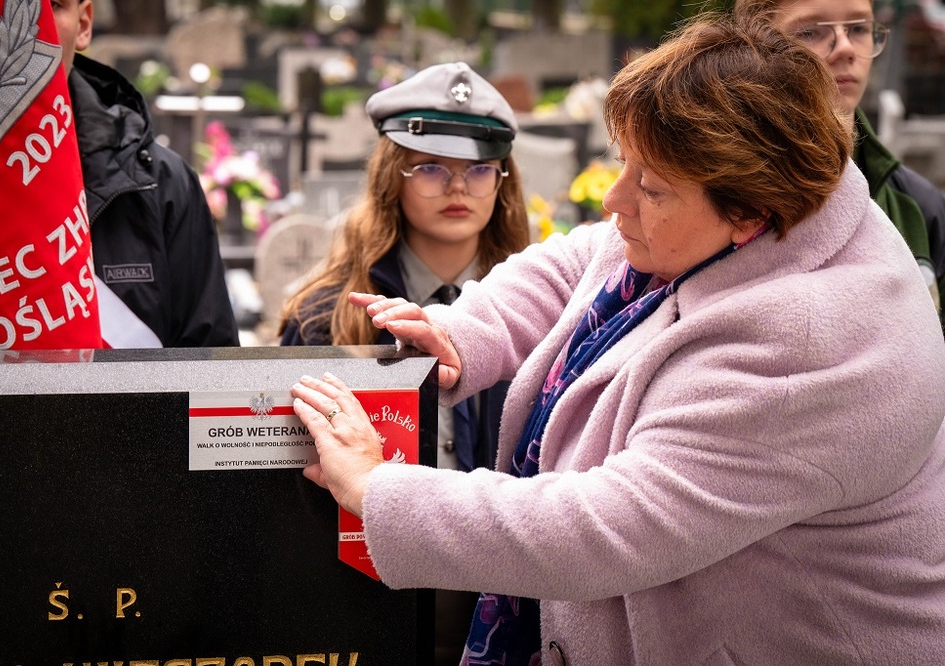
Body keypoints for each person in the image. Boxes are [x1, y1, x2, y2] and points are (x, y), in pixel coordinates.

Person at [290, 13, 945, 665]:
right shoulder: (769, 206)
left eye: (650, 187)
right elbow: (583, 261)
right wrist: (464, 330)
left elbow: (600, 531)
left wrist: (377, 490)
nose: (614, 201)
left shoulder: (817, 344)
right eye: (624, 165)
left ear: (748, 213)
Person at [278, 61, 531, 664]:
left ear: (502, 179)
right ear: (393, 176)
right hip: (362, 601)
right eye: (431, 168)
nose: (458, 188)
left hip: (504, 598)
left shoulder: (542, 318)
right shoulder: (323, 317)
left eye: (478, 168)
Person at [734, 0, 945, 331]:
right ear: (752, 46)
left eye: (859, 28)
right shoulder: (723, 199)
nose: (846, 49)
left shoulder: (919, 209)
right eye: (811, 32)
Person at [52, 0, 239, 347]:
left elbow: (209, 369)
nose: (28, 27)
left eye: (52, 5)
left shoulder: (164, 184)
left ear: (83, 24)